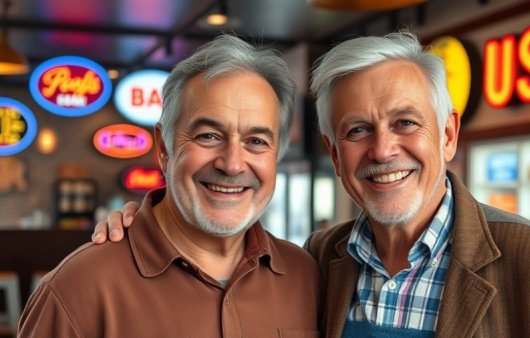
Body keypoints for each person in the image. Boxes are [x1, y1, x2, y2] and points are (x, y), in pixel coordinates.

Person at [92, 31, 530, 337]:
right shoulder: (318, 261)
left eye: (406, 123)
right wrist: (154, 223)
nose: (382, 150)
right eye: (358, 130)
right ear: (335, 155)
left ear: (447, 135)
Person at [18, 35, 321, 337]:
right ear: (163, 148)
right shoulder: (78, 287)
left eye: (256, 142)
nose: (232, 164)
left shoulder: (306, 276)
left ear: (277, 156)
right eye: (208, 136)